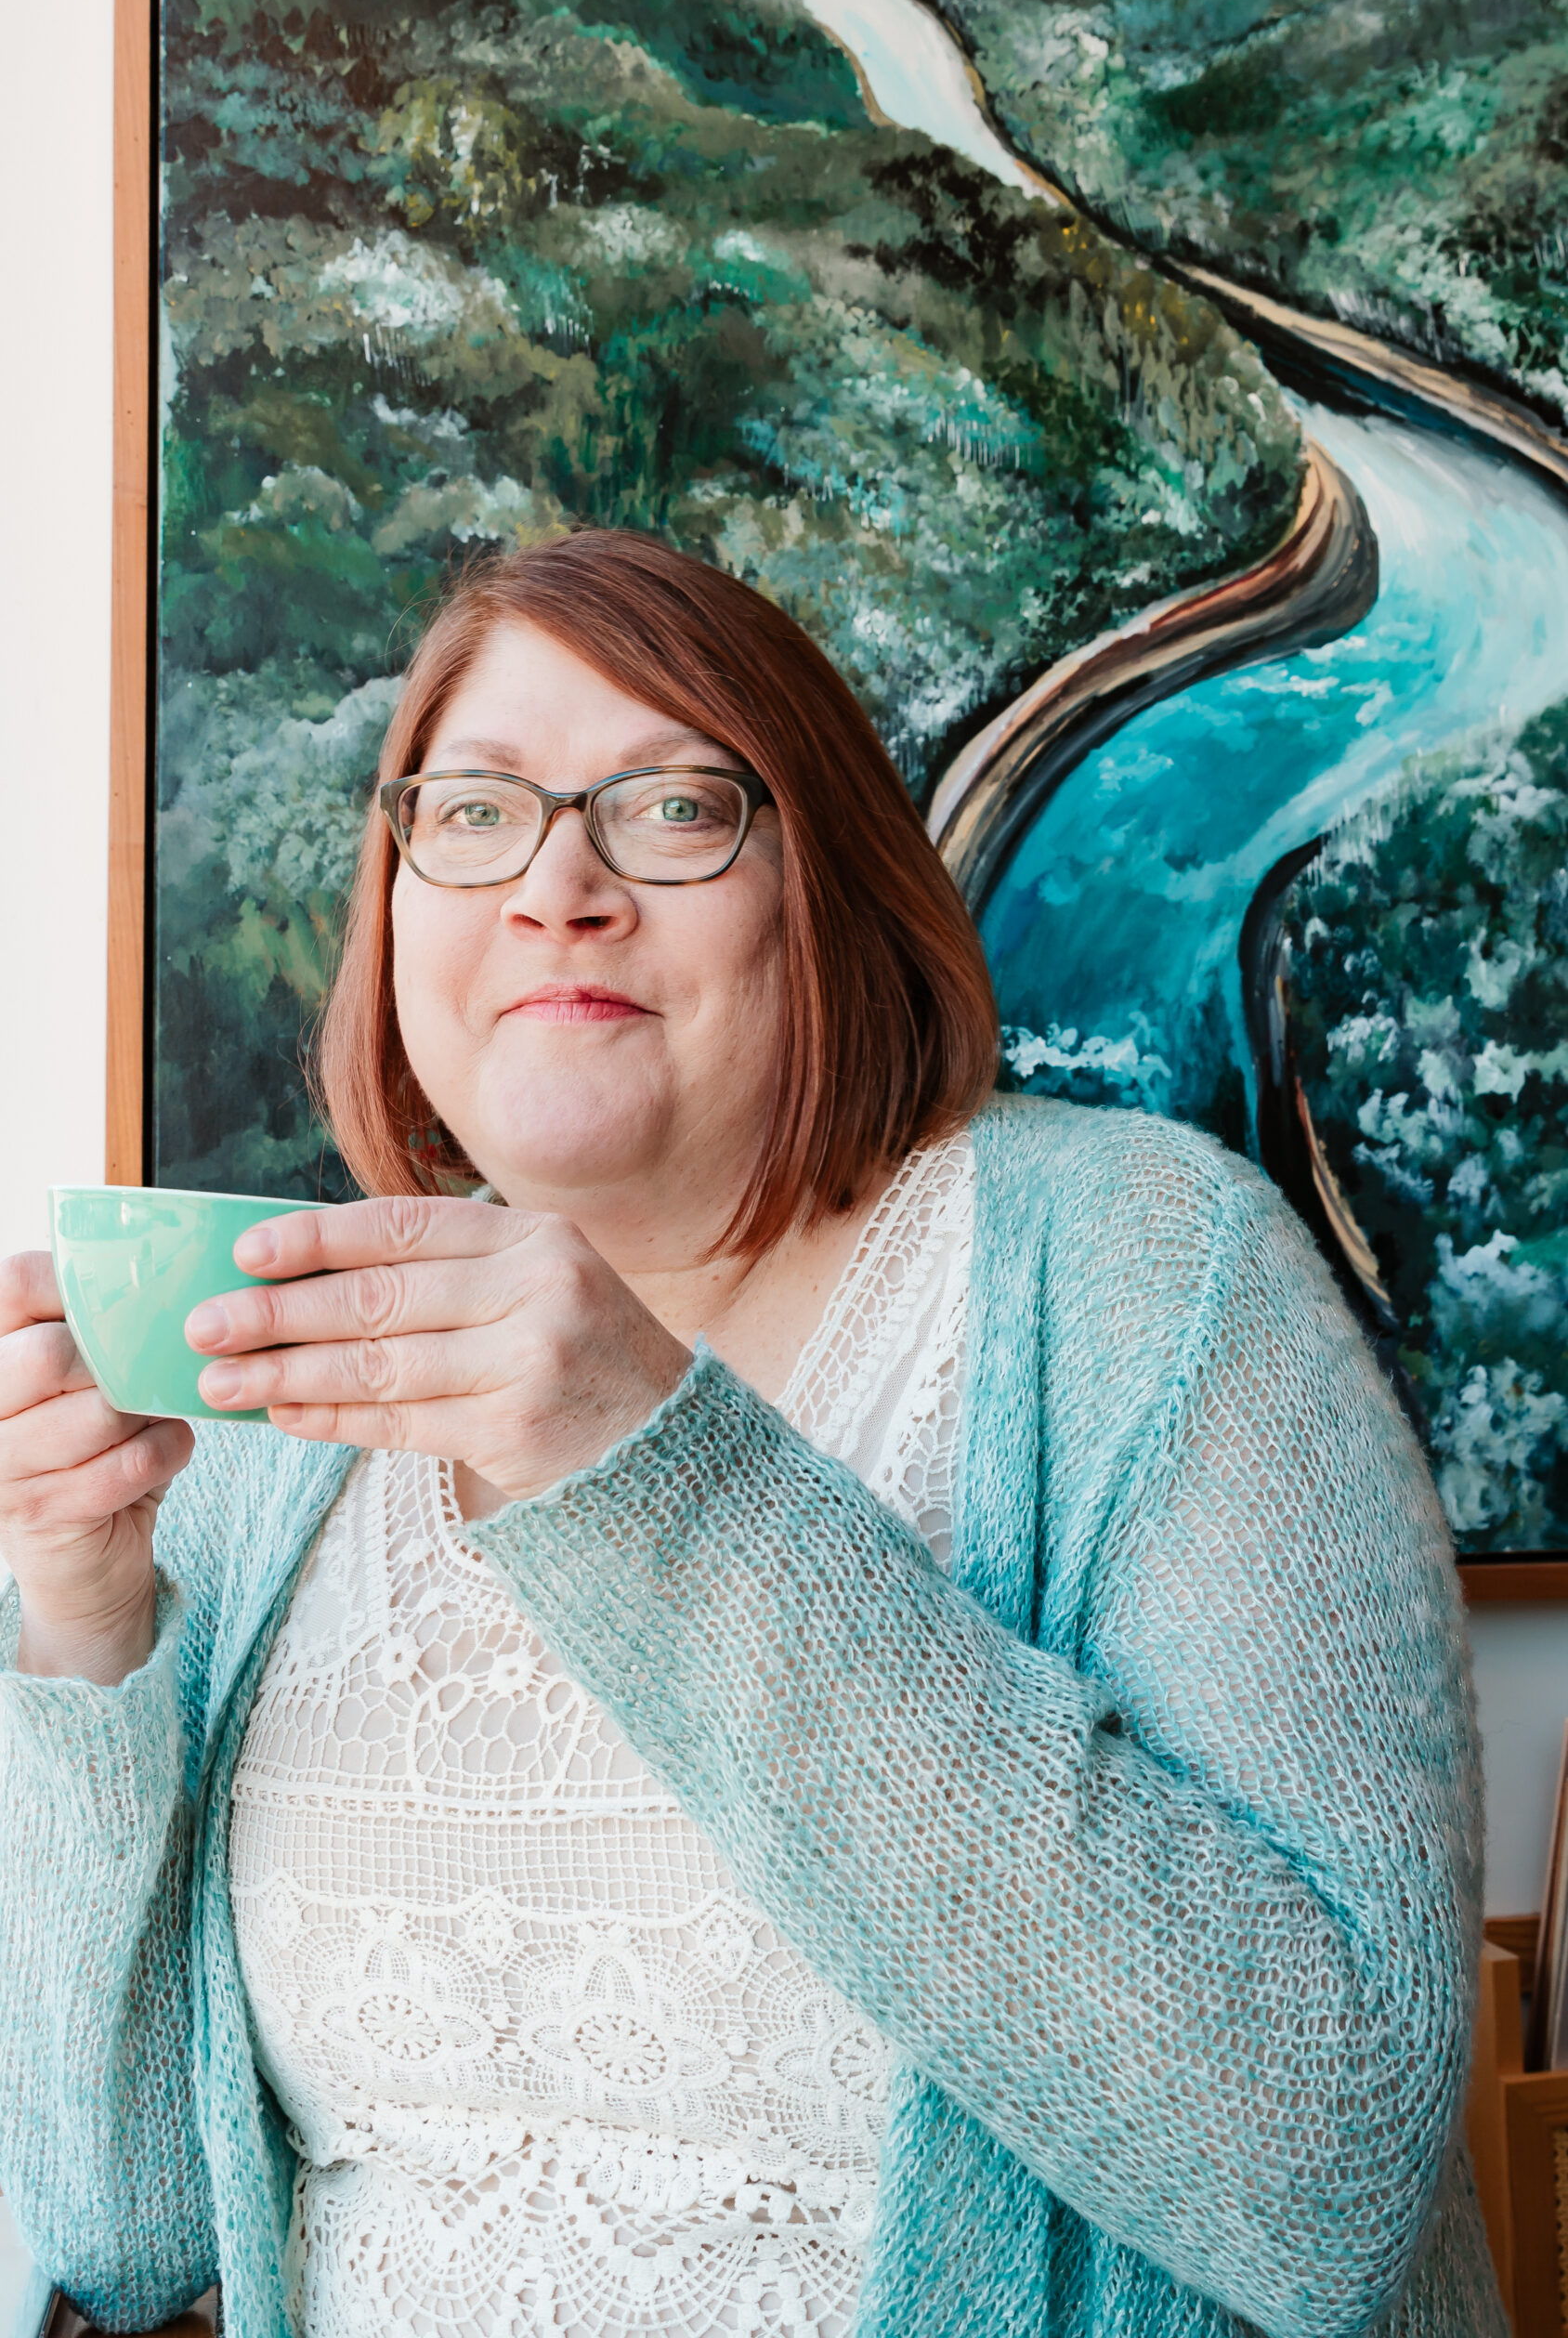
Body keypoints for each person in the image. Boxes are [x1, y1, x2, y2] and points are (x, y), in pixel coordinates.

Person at [0, 531, 1503, 2338]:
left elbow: (1329, 2176)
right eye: (472, 810)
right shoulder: (286, 1416)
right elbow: (129, 2226)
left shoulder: (1149, 1276)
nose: (556, 884)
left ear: (833, 890)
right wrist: (86, 1633)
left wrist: (655, 1471)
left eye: (670, 805)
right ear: (395, 905)